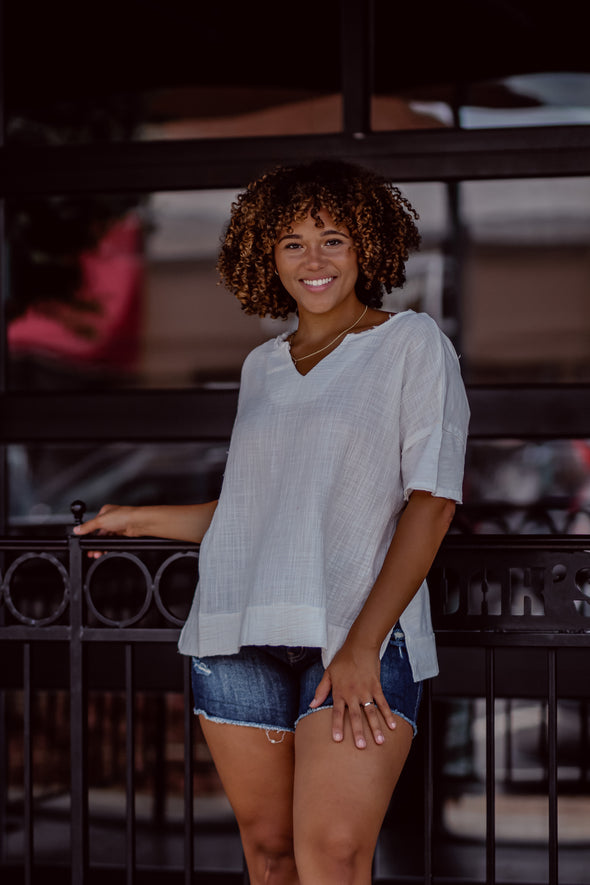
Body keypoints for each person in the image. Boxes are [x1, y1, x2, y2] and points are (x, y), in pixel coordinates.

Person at [74, 160, 470, 885]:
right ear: (266, 255)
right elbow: (260, 513)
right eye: (291, 242)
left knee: (335, 857)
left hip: (358, 636)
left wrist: (360, 644)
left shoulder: (412, 343)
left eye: (332, 238)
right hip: (237, 634)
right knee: (273, 858)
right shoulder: (261, 366)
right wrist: (140, 518)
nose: (312, 259)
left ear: (367, 245)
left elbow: (432, 501)